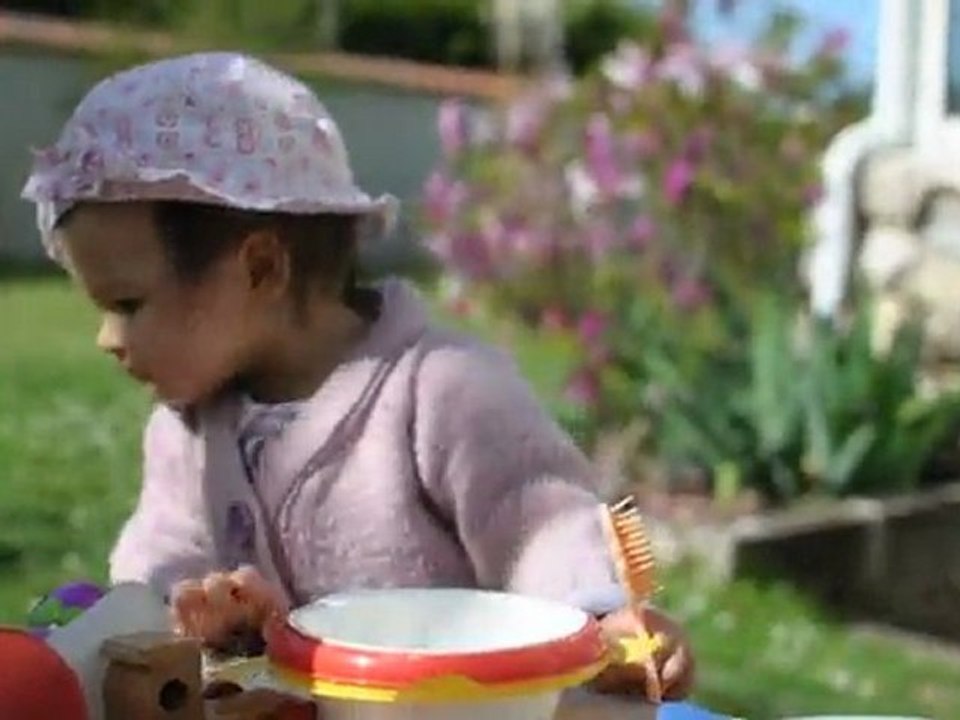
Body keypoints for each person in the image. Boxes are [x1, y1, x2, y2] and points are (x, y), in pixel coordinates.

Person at [22, 52, 694, 700]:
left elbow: (539, 519)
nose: (107, 340)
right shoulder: (186, 434)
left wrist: (603, 618)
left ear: (261, 269)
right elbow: (159, 568)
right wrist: (201, 619)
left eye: (127, 305)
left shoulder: (438, 388)